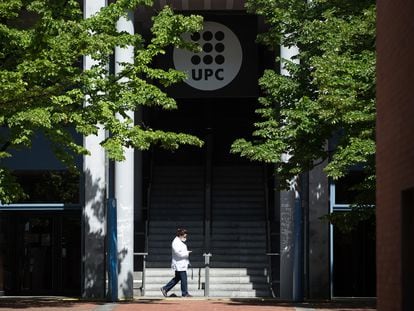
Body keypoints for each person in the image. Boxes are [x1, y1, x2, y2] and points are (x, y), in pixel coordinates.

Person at [160, 228, 193, 297]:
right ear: (180, 235)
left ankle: (165, 288)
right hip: (179, 264)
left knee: (177, 278)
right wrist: (187, 252)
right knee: (184, 278)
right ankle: (185, 293)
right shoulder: (175, 242)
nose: (185, 238)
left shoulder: (178, 242)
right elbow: (178, 253)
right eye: (184, 236)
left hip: (181, 263)